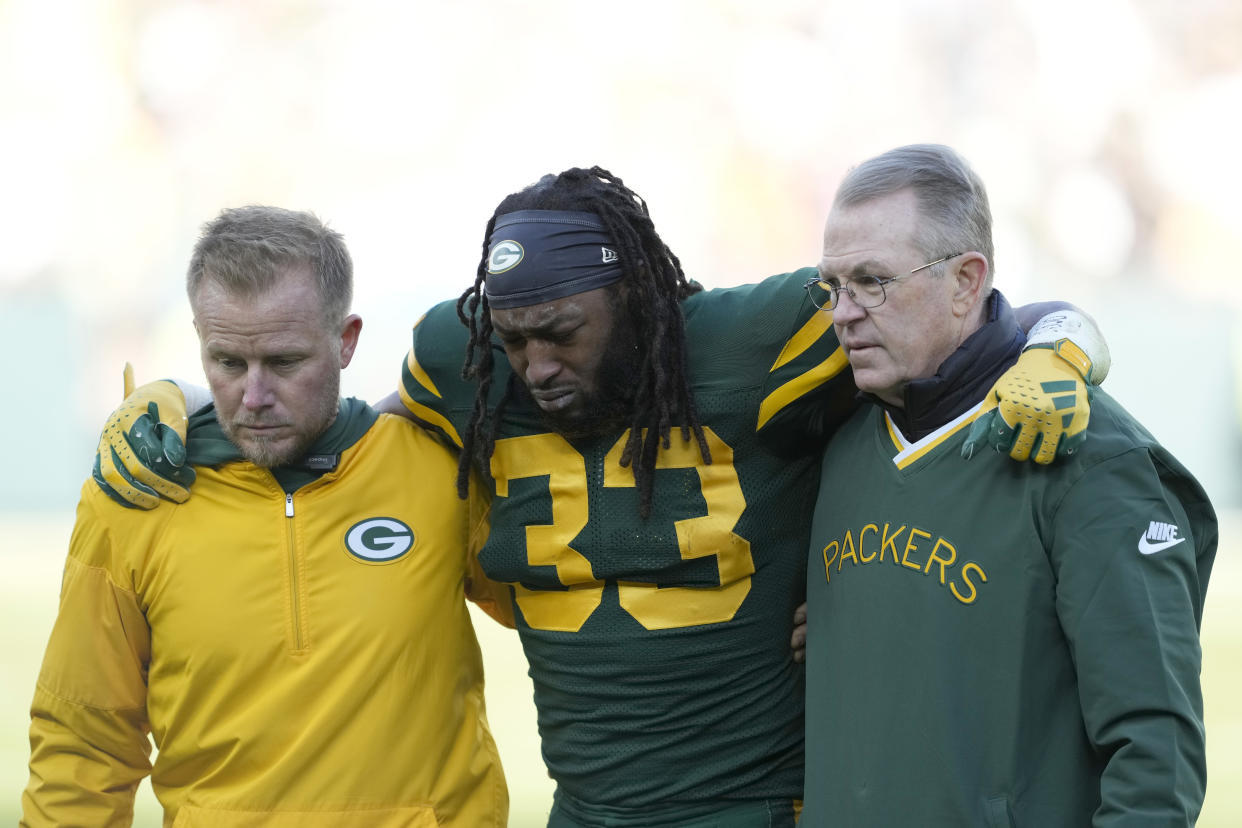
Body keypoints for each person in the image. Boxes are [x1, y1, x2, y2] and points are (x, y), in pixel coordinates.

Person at [91, 169, 1108, 827]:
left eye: (563, 333)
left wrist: (1062, 339)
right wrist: (193, 405)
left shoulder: (749, 339)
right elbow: (346, 425)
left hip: (756, 803)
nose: (535, 365)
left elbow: (943, 313)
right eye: (516, 335)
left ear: (643, 306)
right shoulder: (464, 357)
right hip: (588, 807)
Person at [22, 206, 509, 827]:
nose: (253, 396)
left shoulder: (441, 471)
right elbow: (82, 740)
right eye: (227, 363)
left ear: (347, 340)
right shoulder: (134, 495)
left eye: (283, 363)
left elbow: (553, 613)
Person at [800, 144, 1216, 826]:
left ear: (967, 280)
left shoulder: (1092, 460)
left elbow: (1156, 760)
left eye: (872, 281)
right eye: (832, 286)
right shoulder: (839, 440)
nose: (842, 312)